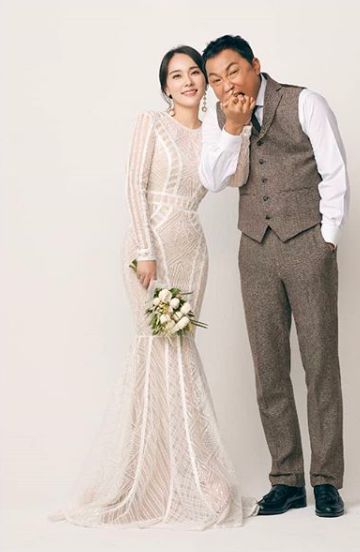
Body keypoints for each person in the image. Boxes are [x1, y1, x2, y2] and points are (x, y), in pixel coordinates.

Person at [48, 45, 258, 530]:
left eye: (194, 73)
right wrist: (145, 248)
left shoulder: (214, 131)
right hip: (152, 247)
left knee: (180, 350)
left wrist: (239, 127)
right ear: (165, 87)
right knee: (156, 350)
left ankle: (183, 475)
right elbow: (134, 186)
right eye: (176, 76)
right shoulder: (151, 123)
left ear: (205, 82)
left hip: (191, 251)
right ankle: (145, 476)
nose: (188, 82)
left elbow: (236, 177)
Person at [199, 35, 349, 518]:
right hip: (255, 249)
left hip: (307, 243)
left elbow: (334, 172)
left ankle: (326, 480)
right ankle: (287, 480)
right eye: (215, 79)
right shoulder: (222, 118)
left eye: (232, 71)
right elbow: (213, 179)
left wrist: (327, 239)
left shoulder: (305, 102)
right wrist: (233, 127)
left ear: (255, 65)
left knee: (320, 363)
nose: (226, 85)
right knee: (269, 368)